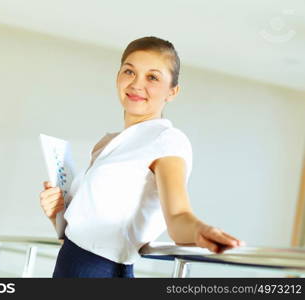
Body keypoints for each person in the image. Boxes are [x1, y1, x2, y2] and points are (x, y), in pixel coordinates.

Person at [39, 36, 245, 278]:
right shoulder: (106, 144)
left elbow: (178, 216)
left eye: (152, 77)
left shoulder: (167, 140)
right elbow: (86, 222)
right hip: (69, 262)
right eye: (129, 71)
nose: (136, 84)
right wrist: (57, 213)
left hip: (102, 271)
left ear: (172, 91)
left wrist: (200, 231)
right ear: (118, 77)